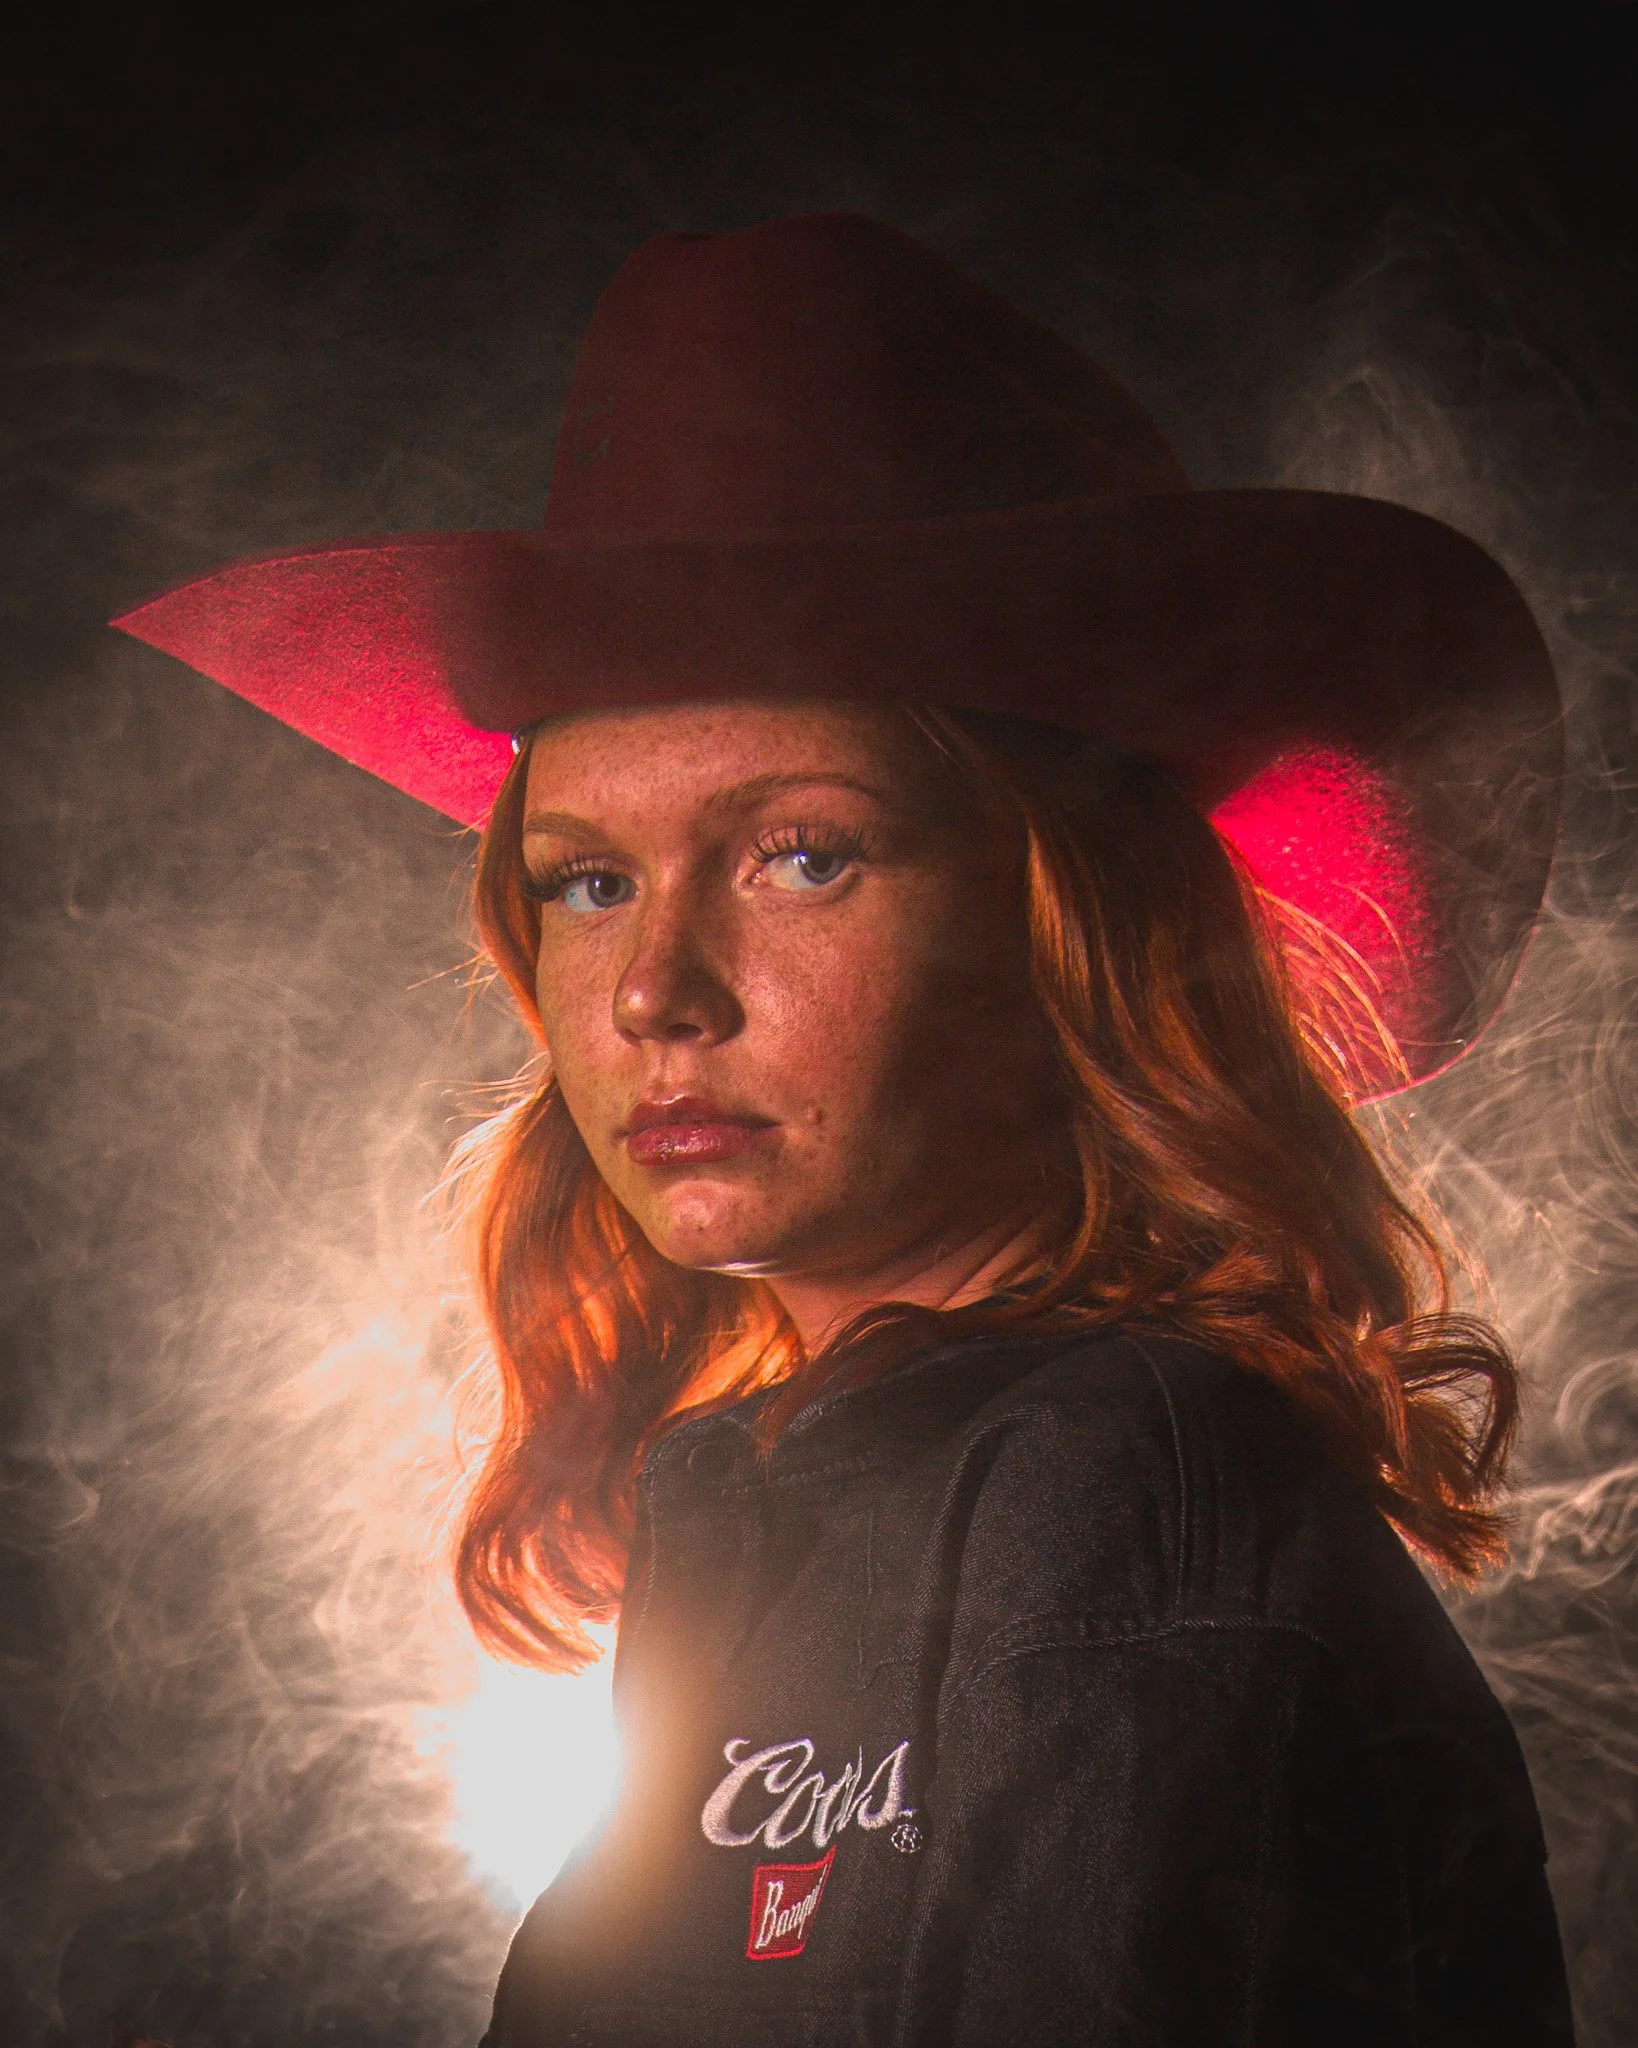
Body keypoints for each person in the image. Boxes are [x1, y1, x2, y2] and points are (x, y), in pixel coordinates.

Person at [115, 212, 1575, 2045]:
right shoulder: (811, 1479)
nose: (656, 990)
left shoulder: (1111, 1487)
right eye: (584, 880)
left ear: (1064, 930)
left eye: (802, 853)